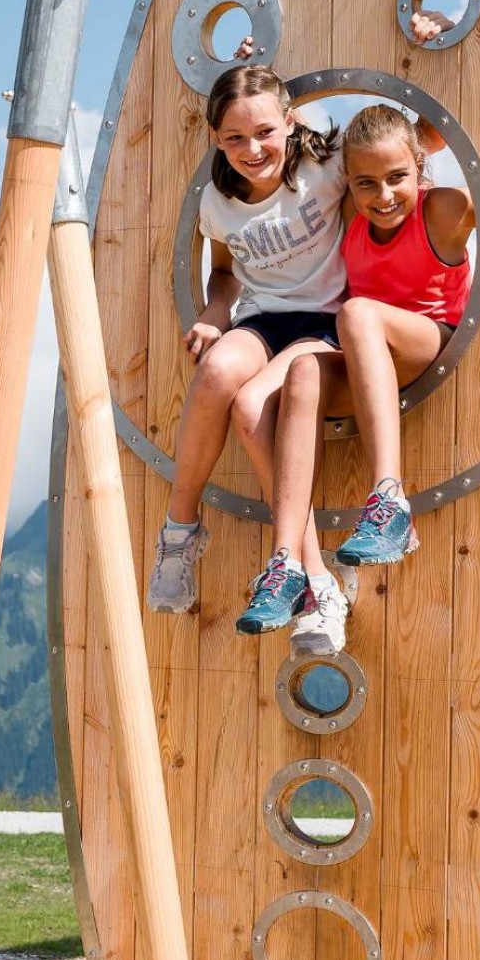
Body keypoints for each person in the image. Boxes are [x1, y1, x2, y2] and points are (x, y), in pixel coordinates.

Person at [248, 64, 480, 652]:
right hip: (367, 358)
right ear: (349, 183)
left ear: (418, 170)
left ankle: (388, 500)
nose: (383, 195)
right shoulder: (353, 215)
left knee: (356, 313)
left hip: (429, 339)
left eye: (397, 177)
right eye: (365, 183)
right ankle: (288, 561)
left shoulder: (440, 211)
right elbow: (284, 133)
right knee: (300, 372)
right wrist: (256, 68)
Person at [145, 62, 345, 624]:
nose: (252, 148)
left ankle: (310, 573)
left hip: (325, 322)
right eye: (235, 138)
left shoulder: (324, 169)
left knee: (251, 406)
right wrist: (213, 313)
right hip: (264, 317)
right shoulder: (218, 201)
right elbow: (225, 273)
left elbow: (409, 143)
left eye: (264, 132)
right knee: (215, 374)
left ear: (287, 123)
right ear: (216, 140)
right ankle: (180, 532)